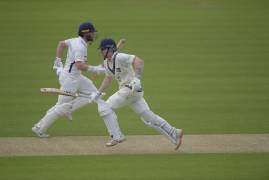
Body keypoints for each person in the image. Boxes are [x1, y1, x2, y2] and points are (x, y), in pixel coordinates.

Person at [32, 23, 125, 146]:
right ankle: (39, 127)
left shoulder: (75, 41)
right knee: (61, 107)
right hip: (70, 80)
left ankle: (71, 109)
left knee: (96, 95)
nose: (93, 35)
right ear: (86, 33)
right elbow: (79, 65)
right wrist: (96, 69)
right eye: (91, 33)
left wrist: (58, 61)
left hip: (76, 77)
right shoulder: (80, 47)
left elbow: (61, 44)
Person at [90, 38, 183, 150]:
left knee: (105, 107)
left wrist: (137, 78)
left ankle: (117, 136)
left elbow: (139, 61)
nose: (101, 52)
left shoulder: (120, 57)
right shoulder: (107, 62)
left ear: (110, 49)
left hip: (130, 89)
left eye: (103, 49)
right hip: (131, 93)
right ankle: (175, 132)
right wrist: (98, 92)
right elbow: (108, 79)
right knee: (149, 118)